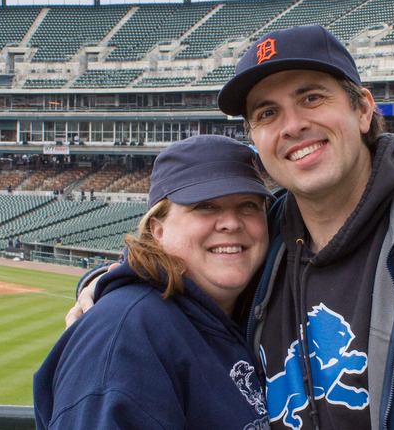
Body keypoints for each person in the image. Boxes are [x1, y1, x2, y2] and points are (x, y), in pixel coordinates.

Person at [68, 25, 394, 430]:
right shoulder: (259, 246)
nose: (292, 125)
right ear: (255, 138)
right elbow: (176, 252)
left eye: (312, 97)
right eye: (267, 113)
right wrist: (106, 284)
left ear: (362, 109)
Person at [34, 135, 273, 430]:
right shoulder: (124, 338)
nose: (232, 223)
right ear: (157, 230)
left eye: (248, 205)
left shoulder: (247, 303)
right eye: (205, 206)